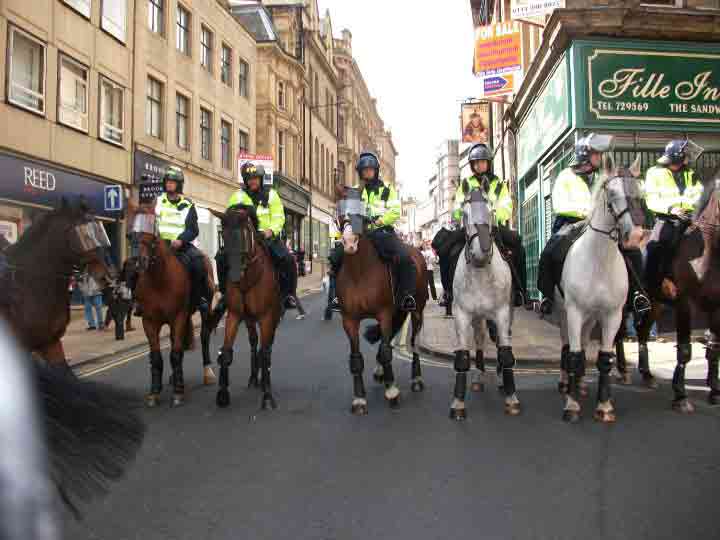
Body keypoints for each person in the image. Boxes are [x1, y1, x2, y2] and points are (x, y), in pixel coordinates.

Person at [536, 133, 650, 316]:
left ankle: (636, 295)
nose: (600, 157)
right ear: (584, 155)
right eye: (596, 154)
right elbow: (560, 204)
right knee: (550, 253)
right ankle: (548, 297)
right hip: (571, 222)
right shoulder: (566, 176)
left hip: (600, 225)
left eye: (600, 154)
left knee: (633, 251)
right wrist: (586, 213)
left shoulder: (603, 177)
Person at [330, 152, 417, 312]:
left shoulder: (387, 190)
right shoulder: (355, 191)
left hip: (382, 231)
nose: (367, 173)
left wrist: (379, 221)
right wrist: (354, 227)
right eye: (364, 171)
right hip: (360, 232)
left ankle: (407, 296)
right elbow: (351, 213)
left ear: (376, 171)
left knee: (405, 258)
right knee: (335, 257)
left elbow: (395, 211)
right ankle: (337, 296)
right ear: (360, 172)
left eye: (370, 170)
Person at [217, 162, 298, 311]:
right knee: (221, 257)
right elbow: (230, 215)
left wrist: (271, 231)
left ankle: (288, 295)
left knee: (288, 259)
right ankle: (224, 294)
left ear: (261, 179)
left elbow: (279, 217)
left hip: (265, 237)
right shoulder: (238, 195)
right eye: (249, 178)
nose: (252, 181)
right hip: (242, 238)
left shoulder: (271, 194)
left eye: (255, 178)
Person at [644, 139, 704, 300]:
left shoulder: (690, 173)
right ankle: (653, 285)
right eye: (686, 155)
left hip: (690, 218)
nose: (689, 158)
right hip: (667, 219)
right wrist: (672, 209)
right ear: (677, 157)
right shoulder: (654, 173)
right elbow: (651, 199)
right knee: (655, 247)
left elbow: (700, 195)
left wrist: (697, 213)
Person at [155, 166, 212, 314]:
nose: (169, 184)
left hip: (180, 245)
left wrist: (180, 240)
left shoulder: (187, 204)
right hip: (159, 244)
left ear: (179, 184)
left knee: (199, 263)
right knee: (137, 264)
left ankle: (200, 299)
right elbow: (151, 221)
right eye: (167, 181)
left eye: (172, 182)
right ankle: (138, 301)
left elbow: (193, 229)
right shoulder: (158, 201)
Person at [324, 227, 343, 321]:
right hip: (336, 273)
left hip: (336, 273)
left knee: (332, 292)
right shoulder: (338, 248)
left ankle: (329, 312)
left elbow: (334, 260)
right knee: (334, 292)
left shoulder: (339, 248)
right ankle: (330, 311)